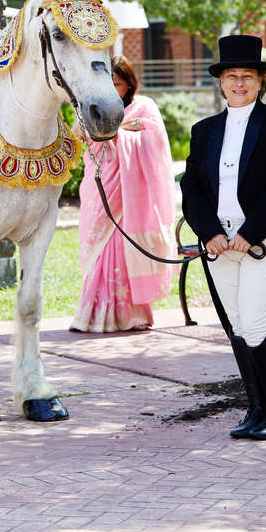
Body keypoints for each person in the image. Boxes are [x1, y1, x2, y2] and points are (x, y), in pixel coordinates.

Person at [180, 35, 266, 440]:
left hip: (262, 241)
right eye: (231, 76)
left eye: (247, 76)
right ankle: (257, 408)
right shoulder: (204, 130)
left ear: (260, 80)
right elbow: (191, 189)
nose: (238, 83)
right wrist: (211, 233)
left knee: (254, 321)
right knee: (237, 324)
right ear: (220, 82)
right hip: (220, 246)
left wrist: (248, 233)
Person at [70, 55, 178, 333]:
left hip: (130, 192)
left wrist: (119, 133)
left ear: (129, 85)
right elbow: (78, 133)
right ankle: (93, 313)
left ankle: (130, 314)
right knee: (99, 247)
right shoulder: (93, 106)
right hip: (100, 184)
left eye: (117, 84)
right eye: (107, 84)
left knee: (120, 245)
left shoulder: (143, 108)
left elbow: (154, 144)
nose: (111, 90)